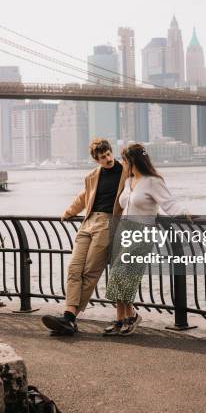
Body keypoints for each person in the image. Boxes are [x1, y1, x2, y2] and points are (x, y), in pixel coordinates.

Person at [103, 143, 190, 337]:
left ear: (131, 161)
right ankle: (122, 318)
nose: (122, 163)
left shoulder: (153, 181)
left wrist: (185, 213)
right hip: (124, 231)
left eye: (124, 160)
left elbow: (170, 203)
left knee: (123, 275)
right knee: (118, 276)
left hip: (142, 232)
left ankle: (129, 317)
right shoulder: (129, 181)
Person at [42, 138, 127, 336]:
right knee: (74, 269)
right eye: (102, 157)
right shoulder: (92, 176)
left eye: (108, 154)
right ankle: (69, 319)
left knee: (90, 272)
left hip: (107, 224)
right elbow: (84, 197)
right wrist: (69, 212)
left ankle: (69, 317)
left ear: (111, 151)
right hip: (88, 223)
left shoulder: (125, 172)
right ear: (96, 160)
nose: (107, 159)